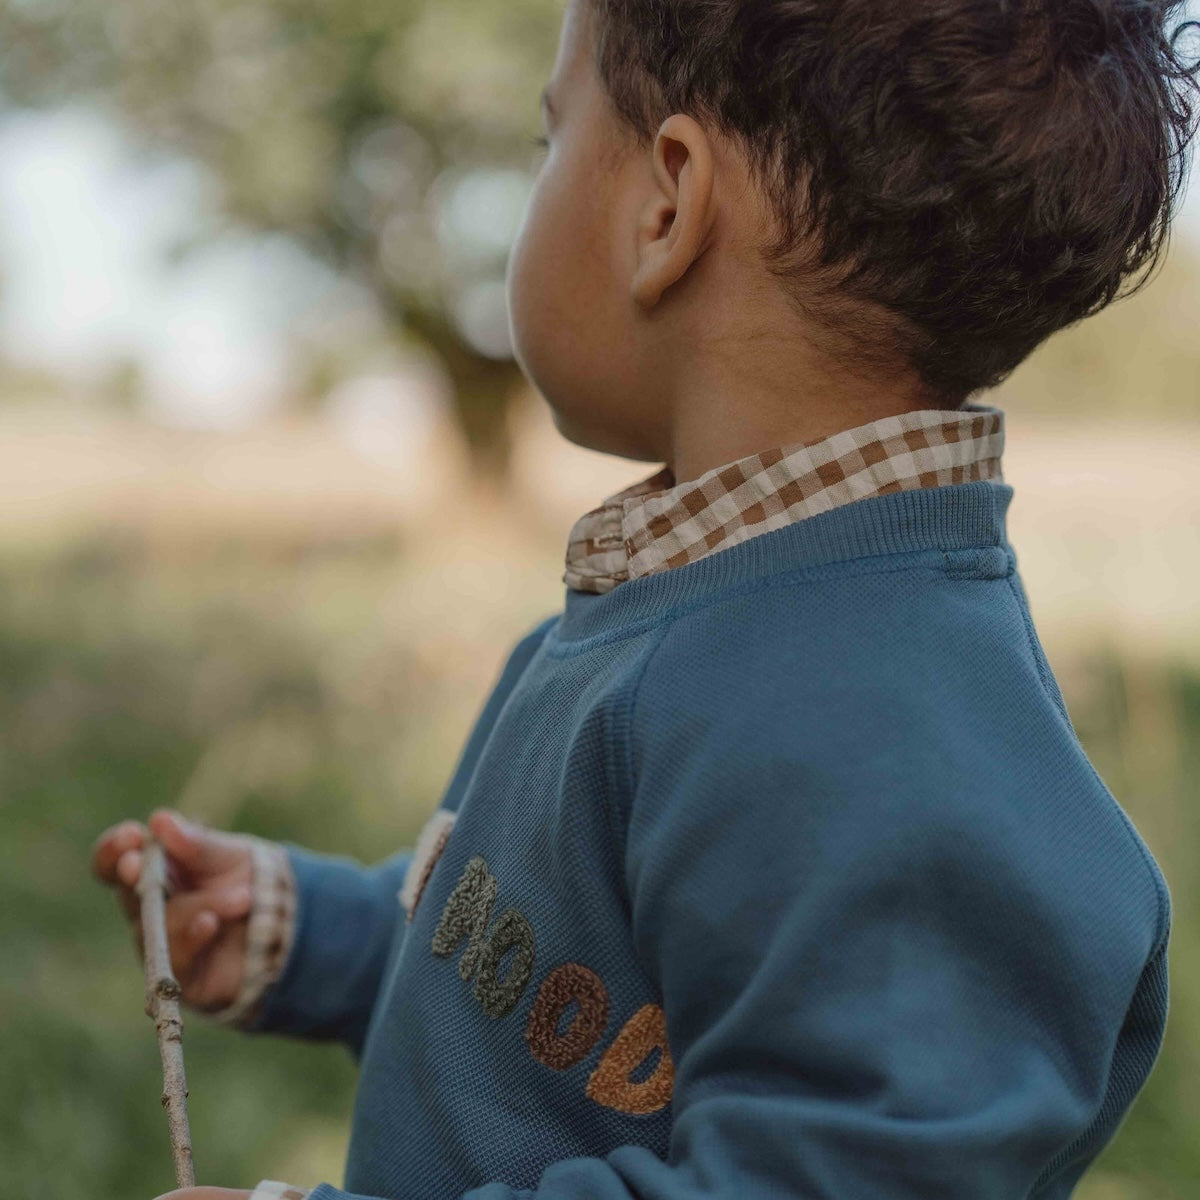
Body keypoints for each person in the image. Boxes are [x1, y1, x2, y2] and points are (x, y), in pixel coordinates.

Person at [94, 0, 1199, 1197]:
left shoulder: (892, 748)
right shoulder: (668, 612)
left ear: (666, 206)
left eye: (548, 139)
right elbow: (553, 1006)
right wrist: (316, 933)